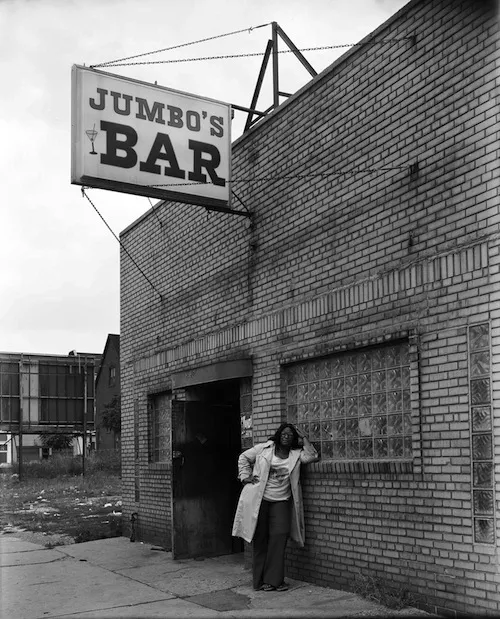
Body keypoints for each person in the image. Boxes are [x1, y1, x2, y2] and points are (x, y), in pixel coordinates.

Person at [232, 422, 319, 592]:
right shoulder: (264, 449)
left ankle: (274, 581)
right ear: (279, 435)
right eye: (284, 434)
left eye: (291, 435)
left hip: (281, 501)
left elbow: (313, 456)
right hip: (260, 500)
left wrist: (305, 438)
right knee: (260, 540)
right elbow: (243, 458)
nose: (287, 437)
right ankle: (259, 582)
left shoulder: (296, 454)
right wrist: (244, 476)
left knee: (279, 538)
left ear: (294, 439)